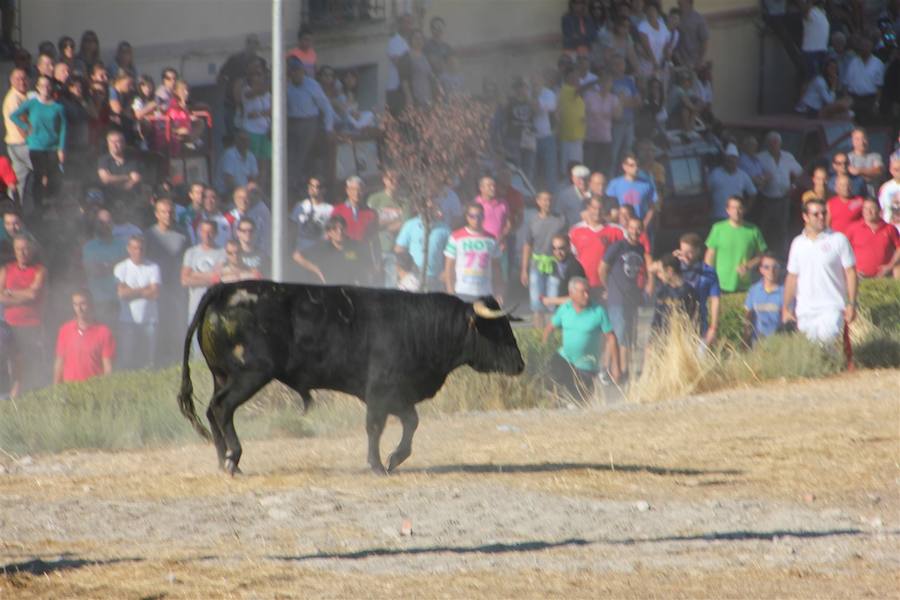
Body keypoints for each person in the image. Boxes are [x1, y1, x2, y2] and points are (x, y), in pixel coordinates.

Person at [783, 199, 857, 344]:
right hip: (804, 310)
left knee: (826, 343)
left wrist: (852, 303)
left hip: (832, 307)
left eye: (823, 213)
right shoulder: (798, 243)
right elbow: (792, 277)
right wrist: (786, 307)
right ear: (805, 217)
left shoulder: (838, 239)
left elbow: (851, 273)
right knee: (809, 352)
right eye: (816, 214)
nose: (821, 217)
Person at [542, 276, 620, 399]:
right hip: (565, 359)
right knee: (547, 375)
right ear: (571, 294)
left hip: (587, 366)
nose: (587, 295)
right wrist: (543, 349)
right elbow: (549, 328)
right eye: (582, 292)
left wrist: (616, 367)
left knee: (579, 401)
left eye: (588, 291)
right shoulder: (565, 308)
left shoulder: (598, 311)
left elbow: (611, 338)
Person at [599, 216, 647, 380]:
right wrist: (608, 288)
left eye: (638, 228)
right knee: (616, 334)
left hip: (631, 298)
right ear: (627, 228)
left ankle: (623, 370)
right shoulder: (618, 246)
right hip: (617, 298)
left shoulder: (640, 248)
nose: (635, 231)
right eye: (632, 227)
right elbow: (602, 269)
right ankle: (606, 369)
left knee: (627, 336)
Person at [10, 75, 66, 213]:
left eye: (48, 85)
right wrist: (26, 127)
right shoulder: (32, 103)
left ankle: (52, 205)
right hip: (36, 146)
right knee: (40, 176)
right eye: (42, 85)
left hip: (52, 146)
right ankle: (38, 207)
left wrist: (61, 148)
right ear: (37, 88)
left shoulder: (57, 107)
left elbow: (64, 128)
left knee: (54, 176)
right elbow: (13, 116)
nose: (45, 88)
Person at [143, 197, 188, 367]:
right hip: (156, 288)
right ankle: (156, 362)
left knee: (176, 324)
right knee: (157, 325)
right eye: (163, 212)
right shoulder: (149, 235)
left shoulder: (182, 234)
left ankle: (178, 360)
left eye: (171, 212)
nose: (168, 215)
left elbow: (187, 260)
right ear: (157, 214)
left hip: (176, 287)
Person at [0, 235, 46, 393]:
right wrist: (24, 296)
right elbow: (0, 297)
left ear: (31, 249)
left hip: (31, 325)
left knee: (29, 362)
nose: (22, 252)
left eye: (25, 248)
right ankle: (10, 396)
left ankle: (29, 394)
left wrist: (10, 293)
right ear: (14, 250)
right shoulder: (7, 269)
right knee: (10, 362)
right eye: (19, 249)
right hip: (9, 326)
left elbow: (34, 295)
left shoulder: (39, 270)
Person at [286, 55, 335, 194]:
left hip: (309, 123)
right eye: (294, 72)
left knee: (304, 155)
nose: (297, 75)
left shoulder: (312, 85)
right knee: (291, 157)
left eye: (299, 71)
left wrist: (329, 128)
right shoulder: (286, 85)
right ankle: (292, 185)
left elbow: (325, 107)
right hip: (291, 123)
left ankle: (301, 185)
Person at [114, 235, 160, 370]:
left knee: (148, 359)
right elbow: (122, 293)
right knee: (128, 357)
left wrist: (132, 291)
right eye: (134, 248)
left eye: (141, 248)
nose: (138, 251)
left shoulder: (153, 267)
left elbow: (155, 293)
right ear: (128, 249)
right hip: (128, 320)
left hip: (149, 319)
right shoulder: (121, 268)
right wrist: (144, 289)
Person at [521, 191, 566, 328]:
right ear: (538, 201)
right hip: (536, 264)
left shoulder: (560, 220)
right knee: (536, 302)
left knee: (552, 302)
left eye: (550, 200)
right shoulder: (532, 221)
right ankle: (537, 335)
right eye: (544, 200)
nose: (548, 203)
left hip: (555, 264)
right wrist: (524, 269)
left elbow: (566, 242)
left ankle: (550, 335)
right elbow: (527, 245)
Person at [704, 196, 768, 293]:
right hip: (721, 284)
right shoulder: (718, 229)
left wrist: (748, 266)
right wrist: (709, 279)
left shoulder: (753, 230)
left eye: (739, 208)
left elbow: (762, 255)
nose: (736, 211)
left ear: (744, 210)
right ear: (727, 210)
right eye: (733, 208)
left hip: (743, 284)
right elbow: (709, 256)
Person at [754, 131, 802, 256]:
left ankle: (783, 254)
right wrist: (762, 179)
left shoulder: (787, 156)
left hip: (783, 198)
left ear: (780, 144)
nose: (774, 146)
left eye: (776, 143)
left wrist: (793, 185)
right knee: (763, 227)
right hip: (766, 199)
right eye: (771, 143)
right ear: (768, 144)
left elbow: (799, 172)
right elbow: (753, 176)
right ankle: (761, 253)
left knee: (783, 228)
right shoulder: (760, 158)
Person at [443, 202, 503, 303]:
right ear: (467, 217)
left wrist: (498, 292)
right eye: (472, 216)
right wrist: (450, 291)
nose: (476, 219)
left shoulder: (491, 239)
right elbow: (449, 267)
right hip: (462, 292)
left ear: (484, 217)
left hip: (485, 293)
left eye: (480, 216)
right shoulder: (455, 236)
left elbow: (496, 268)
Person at [53, 289, 115, 384]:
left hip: (93, 389)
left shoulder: (104, 332)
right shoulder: (65, 330)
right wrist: (56, 388)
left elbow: (108, 367)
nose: (79, 309)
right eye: (75, 305)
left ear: (91, 305)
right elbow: (59, 362)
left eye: (83, 304)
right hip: (69, 387)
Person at [292, 215, 372, 285]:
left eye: (341, 228)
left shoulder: (355, 245)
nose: (339, 232)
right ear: (329, 233)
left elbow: (366, 265)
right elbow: (297, 256)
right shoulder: (323, 247)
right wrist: (316, 269)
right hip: (330, 288)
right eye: (335, 229)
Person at [569, 195, 622, 295]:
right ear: (588, 208)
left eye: (600, 209)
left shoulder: (616, 231)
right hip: (583, 283)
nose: (597, 212)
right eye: (594, 208)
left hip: (606, 284)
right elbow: (573, 257)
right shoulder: (575, 231)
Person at [673, 232, 720, 346]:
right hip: (676, 322)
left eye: (690, 252)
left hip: (700, 322)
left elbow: (715, 300)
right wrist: (672, 260)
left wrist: (713, 327)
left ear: (698, 251)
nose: (686, 256)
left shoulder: (709, 272)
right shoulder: (675, 268)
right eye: (683, 252)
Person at [394, 198, 451, 292]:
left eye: (432, 207)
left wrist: (446, 273)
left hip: (436, 278)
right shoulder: (410, 225)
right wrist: (402, 273)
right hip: (413, 277)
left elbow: (451, 255)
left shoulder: (445, 229)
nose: (429, 209)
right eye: (426, 207)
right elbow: (399, 249)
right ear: (420, 208)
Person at [82, 208, 127, 324]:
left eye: (108, 222)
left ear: (113, 224)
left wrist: (105, 266)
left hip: (119, 298)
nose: (105, 226)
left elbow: (126, 270)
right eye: (101, 223)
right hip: (98, 299)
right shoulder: (89, 247)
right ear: (96, 224)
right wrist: (115, 265)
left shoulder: (123, 245)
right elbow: (93, 270)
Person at [367, 169, 408, 286]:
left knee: (392, 284)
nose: (394, 182)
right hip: (377, 248)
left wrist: (383, 224)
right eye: (391, 179)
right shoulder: (374, 199)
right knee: (374, 284)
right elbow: (371, 224)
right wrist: (395, 222)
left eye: (397, 179)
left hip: (396, 250)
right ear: (384, 180)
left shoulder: (405, 201)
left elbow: (406, 225)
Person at [181, 219, 225, 324]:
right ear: (200, 232)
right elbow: (184, 280)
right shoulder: (191, 253)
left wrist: (194, 274)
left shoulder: (222, 253)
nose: (207, 235)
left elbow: (218, 279)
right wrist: (210, 279)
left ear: (216, 233)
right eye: (204, 231)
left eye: (210, 232)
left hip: (214, 307)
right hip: (195, 307)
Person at [647, 254, 699, 341]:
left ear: (670, 271)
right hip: (661, 341)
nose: (659, 275)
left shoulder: (688, 292)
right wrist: (650, 342)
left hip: (680, 341)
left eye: (660, 271)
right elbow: (656, 320)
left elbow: (694, 319)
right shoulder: (662, 291)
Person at [845, 197, 900, 278]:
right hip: (860, 278)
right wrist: (852, 270)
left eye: (872, 208)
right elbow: (843, 251)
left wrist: (890, 266)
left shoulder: (890, 228)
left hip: (884, 278)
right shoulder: (853, 229)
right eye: (865, 208)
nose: (868, 212)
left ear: (879, 211)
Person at [743, 251, 785, 345]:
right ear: (761, 269)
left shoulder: (785, 292)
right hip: (757, 345)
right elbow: (747, 318)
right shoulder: (754, 290)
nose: (771, 271)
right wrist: (745, 340)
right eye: (766, 267)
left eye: (775, 267)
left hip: (779, 345)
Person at [606, 152, 658, 228]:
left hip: (640, 226)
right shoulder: (614, 184)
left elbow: (652, 207)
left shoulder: (647, 184)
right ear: (624, 166)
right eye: (632, 165)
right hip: (621, 227)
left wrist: (644, 224)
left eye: (637, 165)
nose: (636, 168)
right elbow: (610, 207)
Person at [708, 143, 757, 220]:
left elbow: (753, 193)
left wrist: (746, 209)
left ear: (737, 160)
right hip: (718, 216)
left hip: (736, 217)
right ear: (725, 160)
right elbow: (707, 192)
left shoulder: (743, 175)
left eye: (734, 158)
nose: (731, 161)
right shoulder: (715, 173)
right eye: (729, 159)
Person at [3, 68, 30, 207]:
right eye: (18, 79)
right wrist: (32, 142)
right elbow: (20, 123)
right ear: (11, 81)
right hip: (22, 143)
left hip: (17, 145)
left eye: (24, 78)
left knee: (20, 180)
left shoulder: (25, 96)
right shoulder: (14, 98)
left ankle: (15, 209)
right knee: (44, 170)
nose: (22, 81)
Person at [97, 129, 142, 205]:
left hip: (130, 199)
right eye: (112, 142)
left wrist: (114, 179)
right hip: (108, 199)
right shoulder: (103, 160)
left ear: (123, 143)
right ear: (108, 143)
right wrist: (127, 177)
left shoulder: (132, 160)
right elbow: (106, 179)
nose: (115, 145)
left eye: (118, 142)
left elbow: (136, 179)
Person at [542, 233, 586, 308]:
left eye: (561, 248)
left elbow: (578, 297)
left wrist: (550, 300)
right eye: (554, 248)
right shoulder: (553, 264)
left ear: (568, 248)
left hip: (572, 311)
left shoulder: (575, 267)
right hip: (560, 310)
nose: (557, 252)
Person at [291, 175, 333, 252]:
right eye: (310, 186)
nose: (312, 189)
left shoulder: (330, 209)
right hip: (300, 250)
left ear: (323, 190)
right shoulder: (300, 206)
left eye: (316, 186)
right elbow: (292, 228)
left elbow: (331, 232)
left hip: (318, 250)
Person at [215, 131, 258, 196]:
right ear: (236, 141)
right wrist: (242, 193)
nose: (244, 142)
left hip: (243, 193)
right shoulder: (229, 155)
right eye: (241, 139)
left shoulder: (251, 156)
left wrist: (251, 191)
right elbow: (228, 181)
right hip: (225, 193)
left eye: (246, 140)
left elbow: (252, 179)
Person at [847, 128, 885, 197]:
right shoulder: (848, 158)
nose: (862, 142)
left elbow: (878, 171)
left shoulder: (875, 156)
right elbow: (849, 173)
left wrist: (859, 171)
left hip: (872, 194)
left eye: (864, 138)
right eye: (857, 139)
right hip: (855, 195)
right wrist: (870, 172)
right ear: (852, 141)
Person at [879, 154, 900, 222]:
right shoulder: (885, 188)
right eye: (896, 170)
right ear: (891, 170)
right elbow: (883, 208)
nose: (899, 172)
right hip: (890, 225)